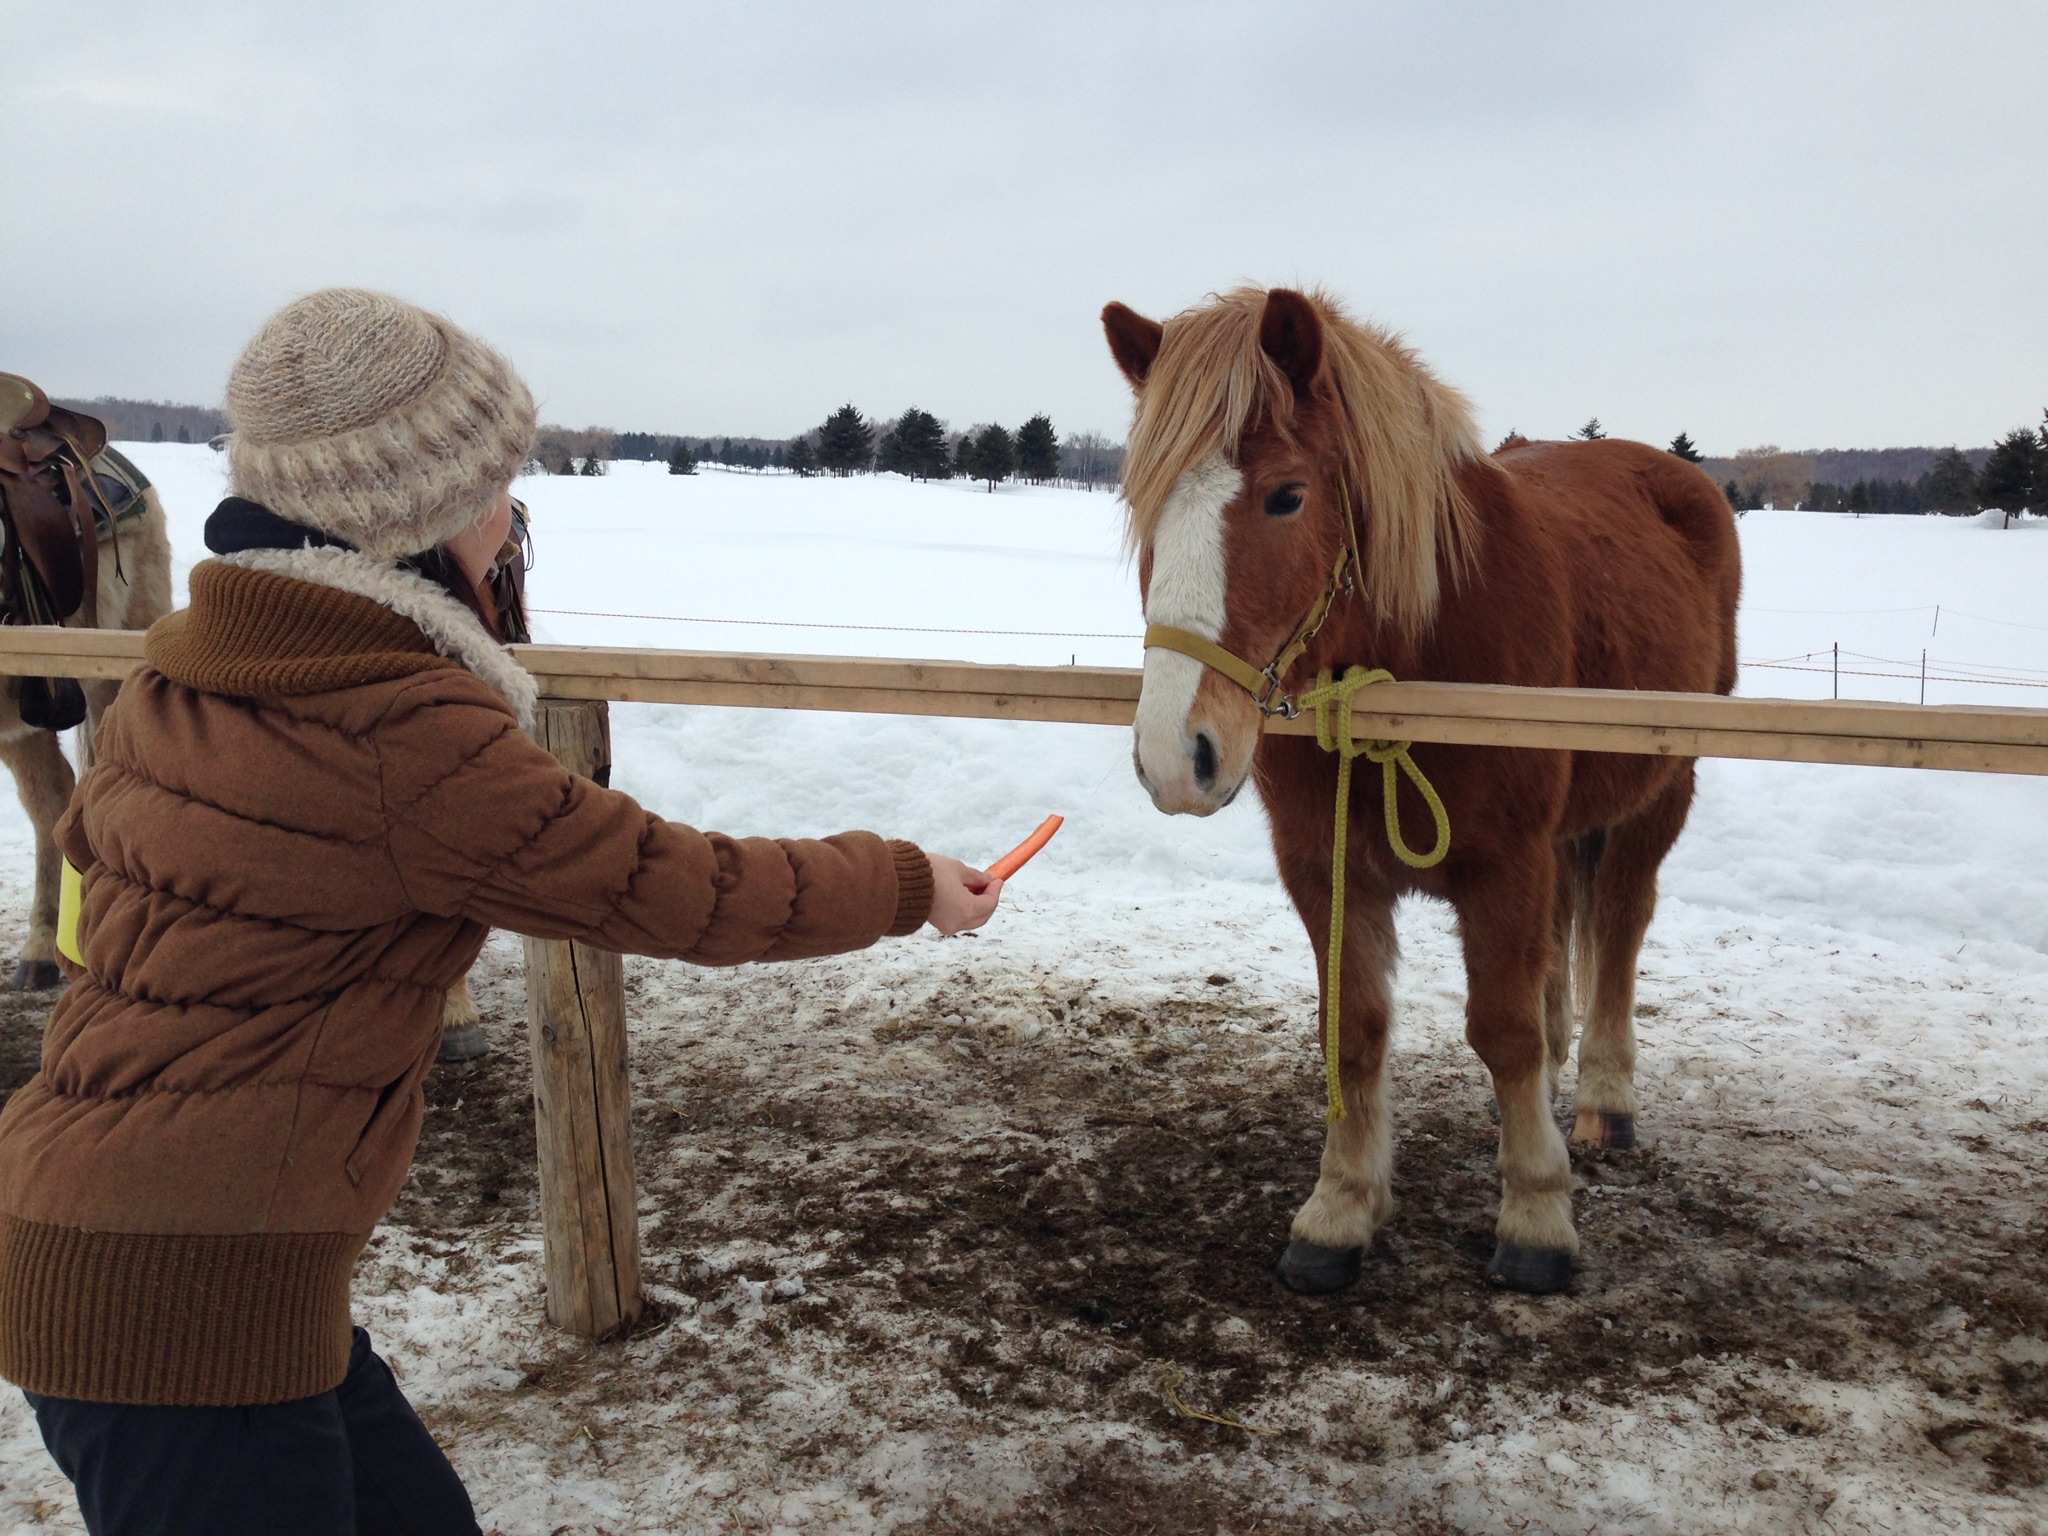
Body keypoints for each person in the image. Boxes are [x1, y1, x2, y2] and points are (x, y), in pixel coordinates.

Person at [0, 288, 1003, 1535]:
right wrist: (906, 885)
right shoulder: (398, 727)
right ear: (408, 517)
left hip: (128, 1246)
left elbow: (91, 857)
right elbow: (678, 886)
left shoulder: (181, 672)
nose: (508, 516)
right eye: (493, 485)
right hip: (189, 1301)